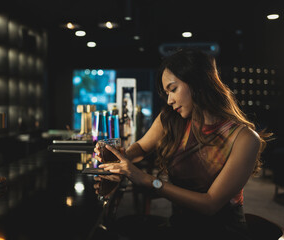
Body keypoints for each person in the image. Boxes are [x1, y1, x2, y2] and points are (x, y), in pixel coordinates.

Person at [93, 48, 272, 239]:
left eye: (173, 89)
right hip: (180, 227)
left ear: (198, 83)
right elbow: (142, 147)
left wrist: (146, 179)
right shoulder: (172, 119)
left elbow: (210, 204)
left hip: (221, 233)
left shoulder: (244, 138)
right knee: (118, 228)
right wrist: (120, 157)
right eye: (166, 93)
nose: (169, 100)